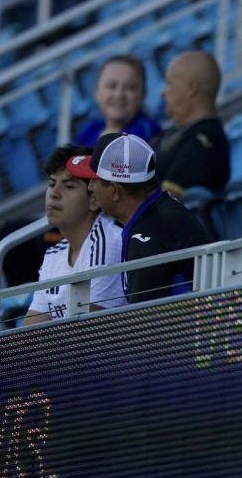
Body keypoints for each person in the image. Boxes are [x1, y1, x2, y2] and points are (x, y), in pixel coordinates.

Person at [68, 132, 211, 303]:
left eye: (94, 180)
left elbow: (142, 321)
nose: (90, 187)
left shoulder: (147, 234)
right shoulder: (160, 210)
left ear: (114, 191)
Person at [23, 145, 125, 325]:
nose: (54, 194)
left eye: (69, 186)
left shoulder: (109, 242)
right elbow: (30, 329)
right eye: (52, 184)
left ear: (94, 199)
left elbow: (88, 330)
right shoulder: (53, 255)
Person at [151, 49, 230, 194]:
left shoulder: (204, 142)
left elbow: (167, 203)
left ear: (191, 88)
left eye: (169, 83)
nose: (163, 92)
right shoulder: (169, 135)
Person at [74, 55, 162, 147]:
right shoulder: (88, 131)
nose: (119, 94)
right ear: (96, 91)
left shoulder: (148, 133)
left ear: (143, 94)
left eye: (129, 88)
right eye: (111, 86)